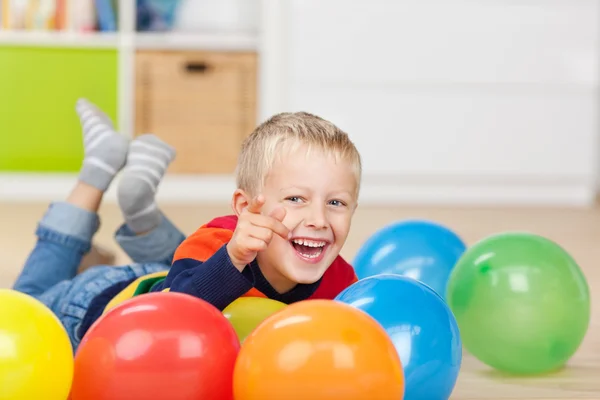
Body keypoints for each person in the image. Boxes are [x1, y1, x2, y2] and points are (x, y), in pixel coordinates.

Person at [13, 99, 362, 352]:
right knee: (22, 308)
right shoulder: (223, 242)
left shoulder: (342, 282)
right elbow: (175, 315)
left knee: (181, 261)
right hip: (96, 309)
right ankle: (95, 173)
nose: (318, 220)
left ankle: (141, 218)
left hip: (170, 272)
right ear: (244, 207)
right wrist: (234, 258)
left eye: (336, 203)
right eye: (296, 199)